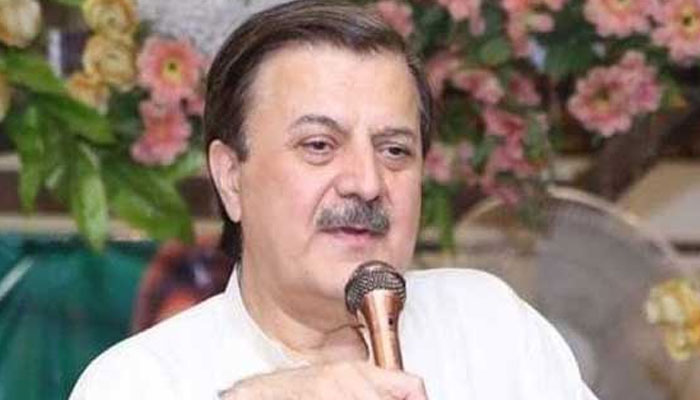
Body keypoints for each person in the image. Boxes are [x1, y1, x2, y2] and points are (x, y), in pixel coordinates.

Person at [70, 1, 599, 399]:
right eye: (319, 146)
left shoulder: (490, 326)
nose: (366, 183)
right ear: (231, 177)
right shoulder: (140, 382)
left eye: (395, 150)